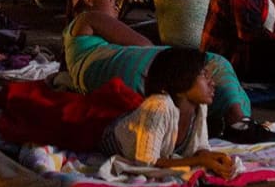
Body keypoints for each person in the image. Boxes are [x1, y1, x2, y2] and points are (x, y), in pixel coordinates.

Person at [65, 0, 274, 143]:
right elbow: (143, 44)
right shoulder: (89, 17)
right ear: (89, 0)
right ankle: (238, 122)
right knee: (210, 63)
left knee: (196, 84)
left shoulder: (71, 39)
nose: (117, 5)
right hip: (118, 68)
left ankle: (224, 121)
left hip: (100, 80)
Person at [101, 48, 236, 179]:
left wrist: (215, 159)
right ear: (180, 80)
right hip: (114, 135)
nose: (212, 83)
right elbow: (146, 162)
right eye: (204, 75)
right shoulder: (159, 106)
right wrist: (199, 161)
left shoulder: (200, 106)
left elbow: (201, 147)